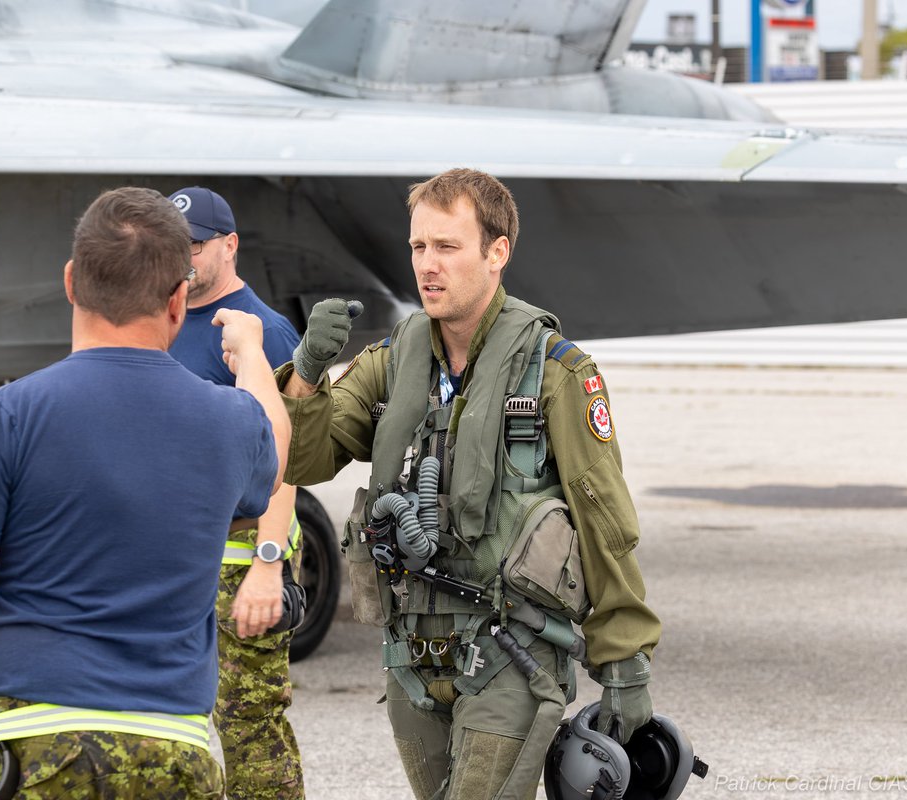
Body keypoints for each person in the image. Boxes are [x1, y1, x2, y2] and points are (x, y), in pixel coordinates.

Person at [0, 187, 290, 800]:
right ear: (176, 299)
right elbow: (273, 450)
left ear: (70, 281)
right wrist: (250, 357)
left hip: (25, 748)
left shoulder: (4, 417)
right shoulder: (229, 423)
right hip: (172, 753)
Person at [275, 169, 662, 799]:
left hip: (509, 655)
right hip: (410, 661)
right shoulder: (395, 361)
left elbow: (605, 525)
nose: (428, 265)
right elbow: (306, 458)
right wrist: (309, 371)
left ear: (497, 252)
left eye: (447, 247)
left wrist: (624, 662)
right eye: (418, 247)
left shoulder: (559, 373)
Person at [165, 185, 305, 800]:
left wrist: (269, 566)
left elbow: (284, 460)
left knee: (248, 724)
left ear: (229, 245)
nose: (184, 257)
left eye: (195, 245)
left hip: (240, 558)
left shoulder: (261, 332)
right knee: (171, 726)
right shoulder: (161, 320)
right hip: (174, 562)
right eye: (174, 246)